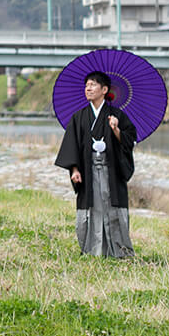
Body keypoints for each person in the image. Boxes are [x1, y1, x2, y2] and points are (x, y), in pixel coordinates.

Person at [54, 70, 137, 258]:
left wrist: (116, 129)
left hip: (112, 171)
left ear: (104, 89)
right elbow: (71, 145)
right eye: (86, 85)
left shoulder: (117, 116)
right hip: (87, 171)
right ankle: (92, 252)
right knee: (92, 210)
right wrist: (74, 169)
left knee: (113, 209)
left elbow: (129, 141)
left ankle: (120, 252)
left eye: (92, 85)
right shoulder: (79, 117)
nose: (88, 88)